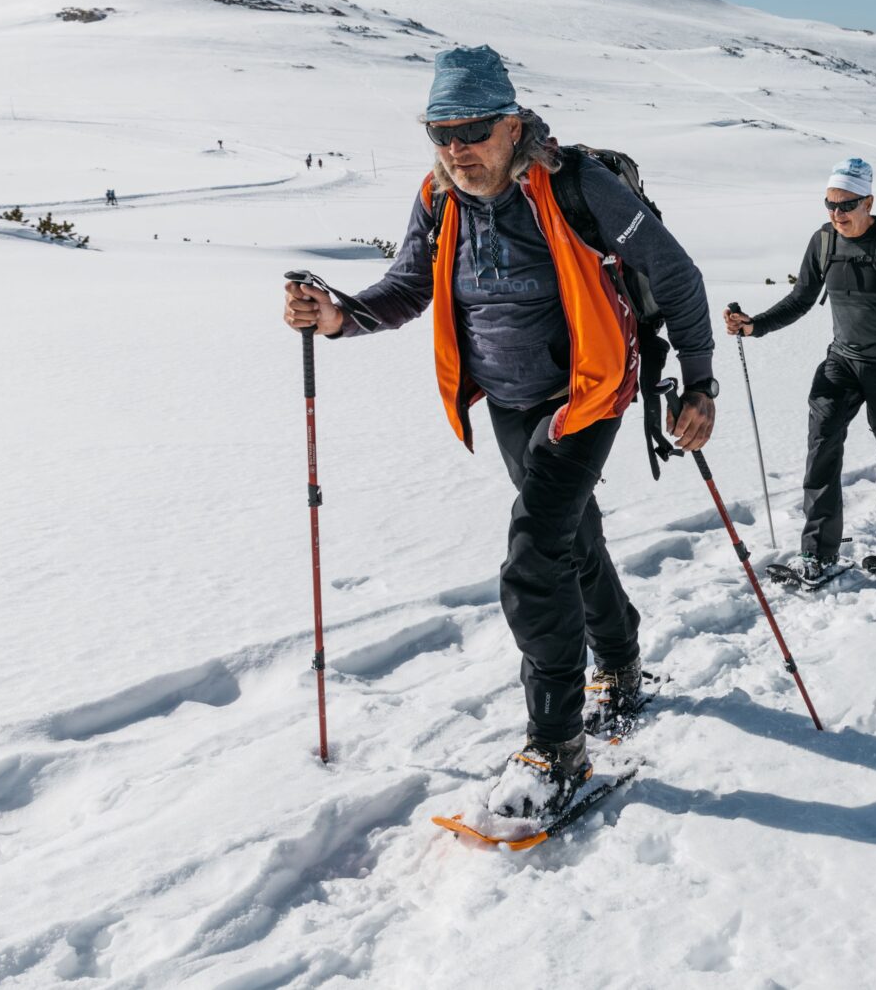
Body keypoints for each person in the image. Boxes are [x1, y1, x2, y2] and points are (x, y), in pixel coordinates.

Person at [280, 44, 717, 825]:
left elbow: (676, 274)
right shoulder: (439, 196)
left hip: (586, 393)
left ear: (512, 125)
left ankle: (557, 744)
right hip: (510, 403)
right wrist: (341, 315)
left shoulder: (580, 185)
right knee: (570, 536)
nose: (456, 148)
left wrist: (701, 380)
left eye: (472, 130)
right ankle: (618, 657)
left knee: (531, 558)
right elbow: (413, 284)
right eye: (440, 133)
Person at [725, 157, 876, 586]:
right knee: (821, 448)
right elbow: (801, 298)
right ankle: (819, 553)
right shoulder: (823, 241)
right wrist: (755, 324)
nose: (837, 214)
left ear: (868, 201)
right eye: (830, 204)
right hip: (842, 360)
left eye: (847, 205)